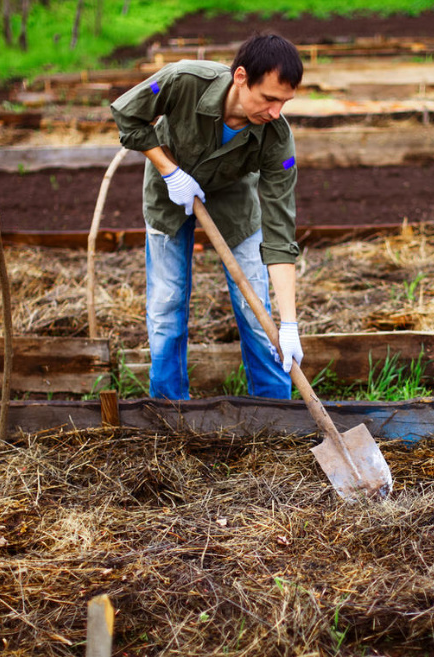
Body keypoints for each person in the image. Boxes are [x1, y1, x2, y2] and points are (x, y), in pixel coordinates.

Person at [111, 33, 305, 400]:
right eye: (269, 99)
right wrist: (169, 171)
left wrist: (290, 323)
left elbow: (280, 233)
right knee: (166, 303)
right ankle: (168, 406)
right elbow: (126, 115)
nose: (276, 112)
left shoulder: (277, 139)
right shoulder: (184, 80)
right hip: (169, 188)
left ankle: (275, 408)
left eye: (285, 102)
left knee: (255, 308)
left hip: (233, 198)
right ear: (242, 77)